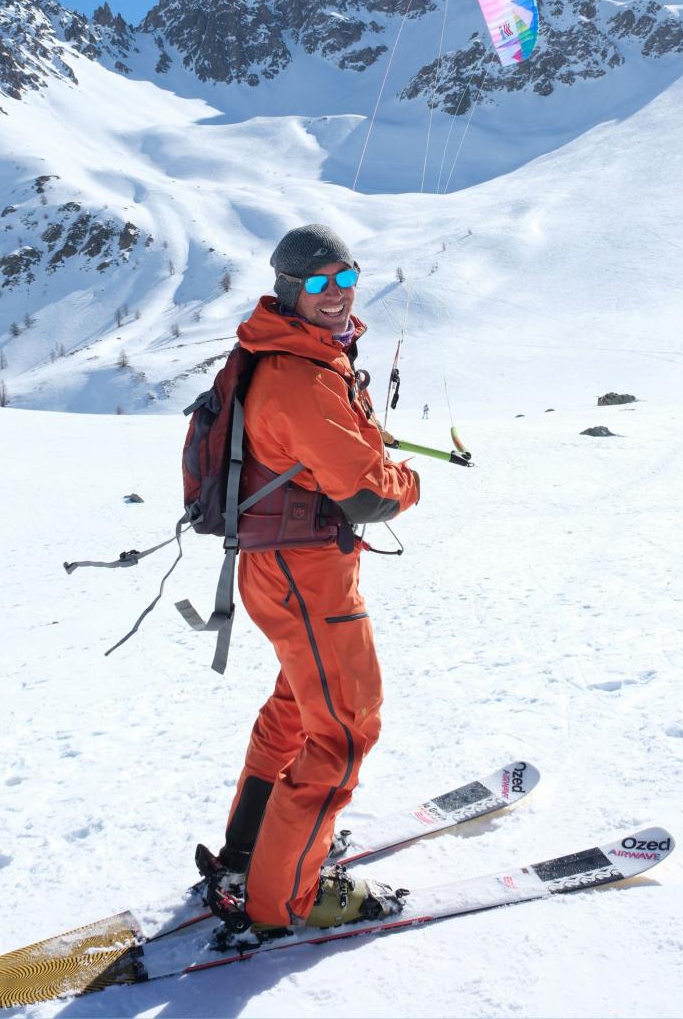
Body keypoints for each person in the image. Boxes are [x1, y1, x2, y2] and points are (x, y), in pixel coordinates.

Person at [204, 224, 423, 936]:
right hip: (306, 578)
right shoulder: (300, 375)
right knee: (346, 729)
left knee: (300, 710)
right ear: (291, 292)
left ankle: (254, 853)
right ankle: (282, 900)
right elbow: (367, 495)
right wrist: (407, 481)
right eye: (319, 284)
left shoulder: (297, 356)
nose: (337, 294)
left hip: (284, 572)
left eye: (346, 276)